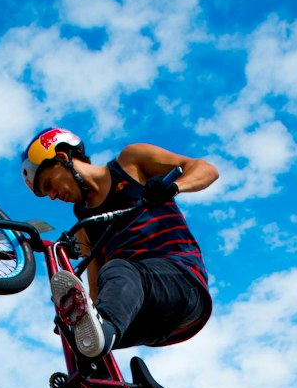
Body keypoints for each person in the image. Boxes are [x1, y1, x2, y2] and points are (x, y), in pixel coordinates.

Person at [21, 126, 218, 363]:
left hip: (181, 283)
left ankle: (105, 335)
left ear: (62, 159)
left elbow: (206, 169)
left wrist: (173, 188)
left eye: (49, 184)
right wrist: (76, 319)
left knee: (118, 269)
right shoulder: (86, 225)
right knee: (80, 342)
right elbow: (95, 292)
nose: (52, 196)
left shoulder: (130, 163)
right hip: (148, 318)